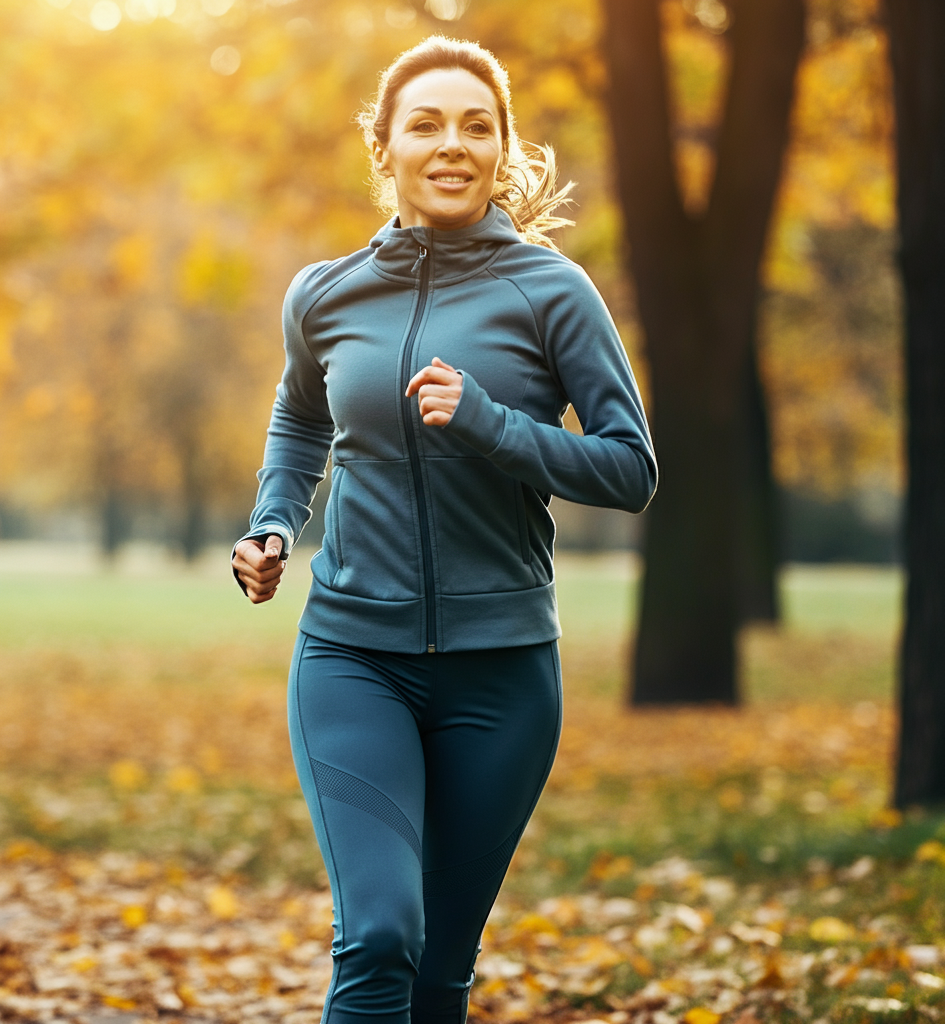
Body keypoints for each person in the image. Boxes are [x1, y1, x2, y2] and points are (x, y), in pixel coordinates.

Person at [232, 35, 656, 1024]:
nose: (451, 143)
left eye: (476, 124)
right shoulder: (325, 294)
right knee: (379, 935)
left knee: (437, 967)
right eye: (425, 123)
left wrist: (494, 427)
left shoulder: (552, 292)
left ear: (502, 148)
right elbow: (300, 419)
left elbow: (631, 469)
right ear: (384, 148)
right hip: (353, 657)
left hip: (502, 674)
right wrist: (273, 524)